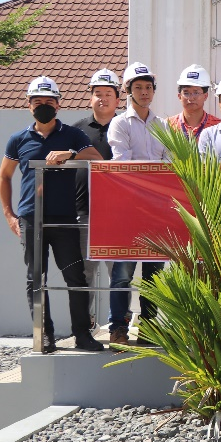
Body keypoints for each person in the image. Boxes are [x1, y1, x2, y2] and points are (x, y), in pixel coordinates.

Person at [0, 76, 105, 352]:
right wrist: (10, 216)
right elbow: (4, 176)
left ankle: (82, 334)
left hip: (64, 220)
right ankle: (44, 335)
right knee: (36, 278)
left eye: (49, 101)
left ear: (58, 105)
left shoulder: (72, 135)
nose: (43, 105)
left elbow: (97, 158)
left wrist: (70, 154)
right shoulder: (18, 139)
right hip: (31, 219)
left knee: (75, 277)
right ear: (28, 104)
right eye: (37, 101)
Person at [106, 62, 167, 347]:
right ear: (128, 91)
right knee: (122, 274)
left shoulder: (162, 126)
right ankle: (118, 328)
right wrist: (152, 177)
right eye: (138, 87)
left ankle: (149, 328)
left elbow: (169, 164)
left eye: (148, 87)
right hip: (128, 211)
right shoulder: (119, 124)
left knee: (154, 274)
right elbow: (123, 166)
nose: (144, 92)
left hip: (156, 211)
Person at [73, 68, 122, 329]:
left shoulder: (126, 126)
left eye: (108, 94)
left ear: (118, 98)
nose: (102, 98)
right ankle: (86, 324)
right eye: (98, 93)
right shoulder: (76, 130)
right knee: (85, 273)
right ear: (90, 97)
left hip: (118, 214)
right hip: (84, 211)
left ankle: (118, 324)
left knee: (119, 273)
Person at [166, 65, 221, 140]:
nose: (191, 98)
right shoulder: (168, 125)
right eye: (186, 93)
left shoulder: (218, 126)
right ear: (179, 96)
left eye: (196, 92)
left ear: (205, 96)